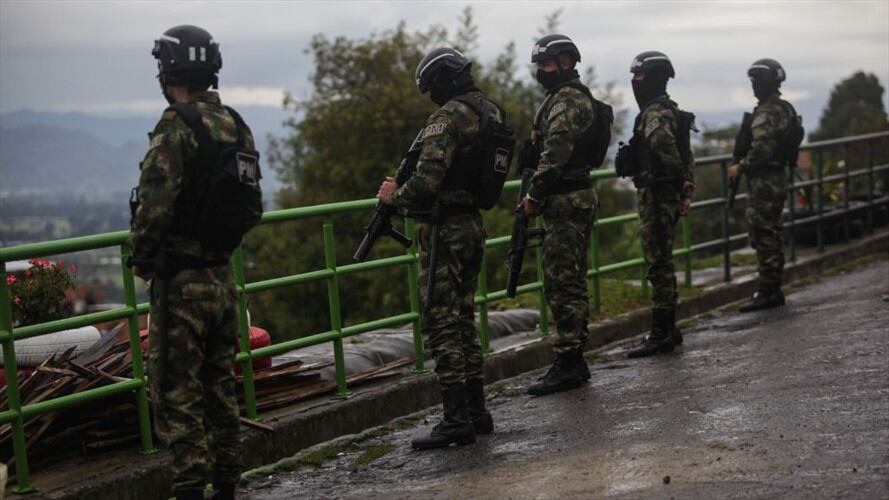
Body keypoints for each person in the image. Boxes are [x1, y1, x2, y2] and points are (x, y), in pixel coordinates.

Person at [129, 25, 261, 500]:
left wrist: (142, 257)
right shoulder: (236, 125)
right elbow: (253, 206)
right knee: (220, 386)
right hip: (222, 278)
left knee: (175, 390)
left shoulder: (175, 126)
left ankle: (188, 488)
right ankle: (227, 483)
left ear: (169, 72)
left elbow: (154, 207)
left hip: (180, 284)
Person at [377, 47, 508, 450]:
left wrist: (394, 197)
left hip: (444, 230)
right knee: (463, 317)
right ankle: (476, 410)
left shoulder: (447, 118)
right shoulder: (490, 111)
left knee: (440, 321)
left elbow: (427, 180)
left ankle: (456, 419)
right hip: (472, 225)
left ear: (441, 80)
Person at [521, 34, 606, 396]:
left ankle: (569, 360)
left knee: (563, 282)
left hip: (566, 199)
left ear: (566, 62)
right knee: (567, 280)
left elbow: (556, 152)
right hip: (568, 198)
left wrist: (534, 194)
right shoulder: (561, 97)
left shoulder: (568, 100)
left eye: (546, 64)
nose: (541, 71)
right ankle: (573, 358)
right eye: (539, 65)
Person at [620, 51, 695, 359]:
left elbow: (665, 148)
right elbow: (686, 155)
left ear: (654, 78)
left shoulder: (655, 114)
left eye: (639, 76)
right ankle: (668, 328)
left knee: (658, 262)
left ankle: (662, 332)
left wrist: (674, 183)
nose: (634, 81)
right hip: (665, 193)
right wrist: (684, 187)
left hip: (657, 195)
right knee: (663, 260)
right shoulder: (669, 109)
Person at [729, 59, 800, 312]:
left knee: (763, 231)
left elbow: (762, 148)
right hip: (776, 176)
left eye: (756, 80)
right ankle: (772, 287)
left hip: (765, 180)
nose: (753, 85)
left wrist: (741, 166)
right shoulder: (783, 108)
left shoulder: (767, 112)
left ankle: (769, 290)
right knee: (771, 230)